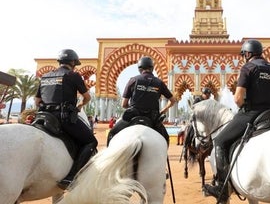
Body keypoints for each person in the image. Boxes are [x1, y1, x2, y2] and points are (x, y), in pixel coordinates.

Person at [203, 39, 270, 203]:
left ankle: (222, 187)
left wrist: (245, 103)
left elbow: (238, 99)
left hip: (252, 114)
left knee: (220, 141)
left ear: (248, 54)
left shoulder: (248, 67)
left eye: (244, 55)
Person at [34, 49, 98, 190]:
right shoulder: (73, 75)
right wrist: (80, 105)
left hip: (43, 117)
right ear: (73, 63)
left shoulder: (45, 76)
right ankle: (71, 177)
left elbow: (37, 100)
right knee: (91, 141)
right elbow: (87, 97)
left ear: (59, 61)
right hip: (63, 118)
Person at [108, 56, 176, 145]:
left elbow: (124, 104)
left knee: (112, 133)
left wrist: (133, 107)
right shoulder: (159, 83)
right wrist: (163, 110)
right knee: (165, 139)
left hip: (133, 115)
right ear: (152, 68)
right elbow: (172, 100)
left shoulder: (133, 80)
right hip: (152, 118)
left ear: (140, 69)